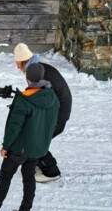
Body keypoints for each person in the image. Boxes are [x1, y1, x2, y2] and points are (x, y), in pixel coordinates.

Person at [0, 63, 59, 211]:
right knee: (29, 178)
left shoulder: (24, 100)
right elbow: (51, 122)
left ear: (27, 78)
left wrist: (6, 146)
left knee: (5, 176)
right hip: (37, 149)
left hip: (20, 148)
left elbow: (14, 127)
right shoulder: (52, 97)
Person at [13, 43, 72, 182]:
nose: (17, 67)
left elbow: (43, 99)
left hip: (57, 115)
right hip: (57, 111)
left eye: (18, 63)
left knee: (35, 141)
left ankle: (51, 172)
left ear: (23, 61)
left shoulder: (38, 72)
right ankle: (38, 164)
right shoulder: (39, 68)